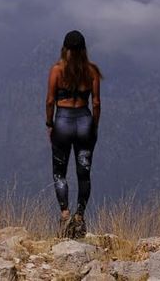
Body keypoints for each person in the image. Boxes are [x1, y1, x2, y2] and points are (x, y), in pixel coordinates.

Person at [44, 30, 102, 237]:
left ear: (65, 49)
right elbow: (95, 102)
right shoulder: (92, 71)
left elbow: (50, 100)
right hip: (84, 122)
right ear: (84, 49)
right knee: (83, 173)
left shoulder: (57, 71)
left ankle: (64, 214)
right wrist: (94, 126)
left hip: (63, 122)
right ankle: (80, 216)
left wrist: (49, 124)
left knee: (60, 172)